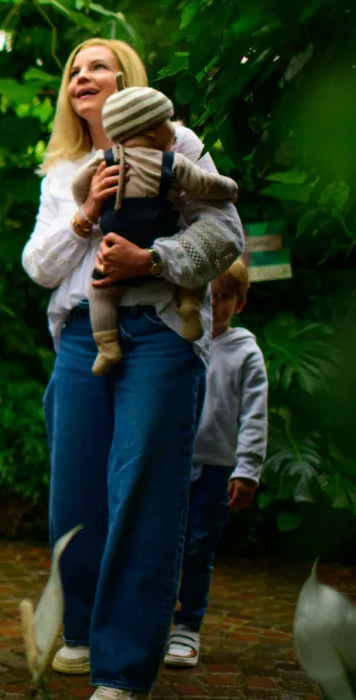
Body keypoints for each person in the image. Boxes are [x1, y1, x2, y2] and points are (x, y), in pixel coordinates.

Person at [21, 38, 244, 700]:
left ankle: (120, 669)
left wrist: (150, 261)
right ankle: (83, 632)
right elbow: (39, 266)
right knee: (76, 494)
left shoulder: (179, 145)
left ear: (126, 81)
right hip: (81, 341)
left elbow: (225, 232)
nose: (81, 77)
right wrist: (88, 215)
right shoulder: (62, 171)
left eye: (95, 66)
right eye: (72, 71)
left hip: (159, 332)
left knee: (143, 490)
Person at [70, 79, 239, 376]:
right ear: (150, 129)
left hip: (116, 242)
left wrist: (87, 203)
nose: (174, 129)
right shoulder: (172, 162)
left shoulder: (105, 160)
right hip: (159, 232)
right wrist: (230, 188)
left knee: (100, 292)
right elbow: (205, 185)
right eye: (168, 123)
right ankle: (188, 305)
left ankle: (106, 344)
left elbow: (77, 186)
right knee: (189, 281)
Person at [164, 258, 268, 668]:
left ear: (239, 303)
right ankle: (155, 620)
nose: (214, 301)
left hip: (216, 471)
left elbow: (254, 415)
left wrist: (247, 470)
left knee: (198, 549)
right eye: (208, 292)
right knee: (163, 543)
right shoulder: (180, 338)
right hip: (172, 464)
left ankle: (187, 626)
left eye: (224, 295)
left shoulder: (247, 354)